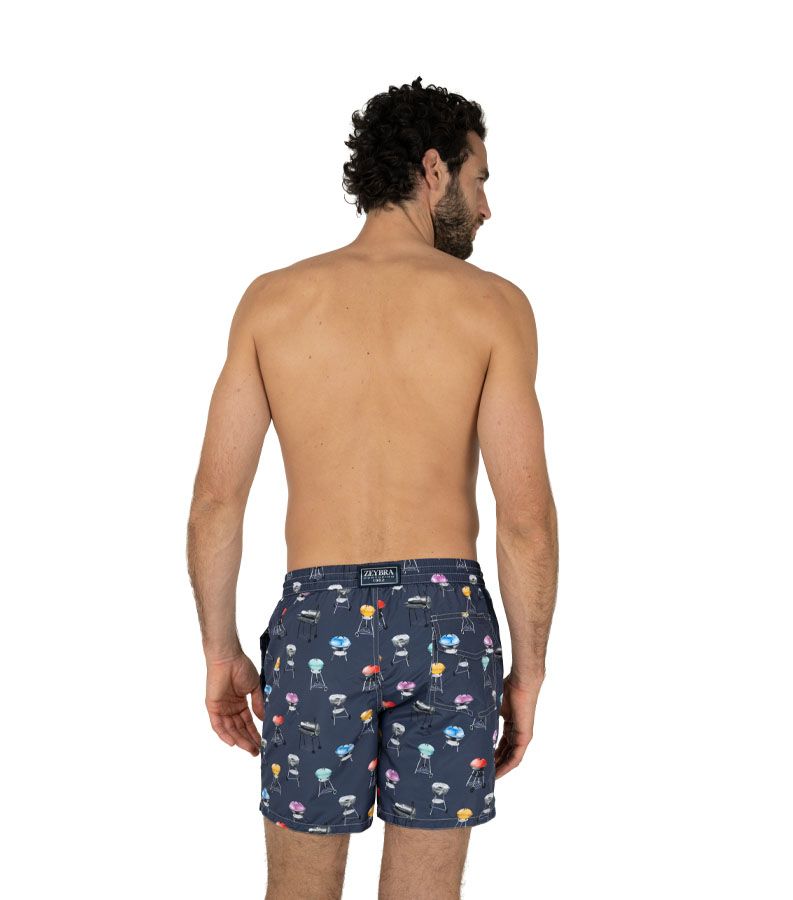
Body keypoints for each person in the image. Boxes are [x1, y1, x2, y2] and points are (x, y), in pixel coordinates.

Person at [186, 75, 558, 900]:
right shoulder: (494, 306)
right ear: (433, 169)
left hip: (317, 621)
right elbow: (524, 519)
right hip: (448, 625)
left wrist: (219, 651)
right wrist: (528, 671)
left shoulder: (273, 302)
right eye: (479, 179)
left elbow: (216, 503)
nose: (486, 207)